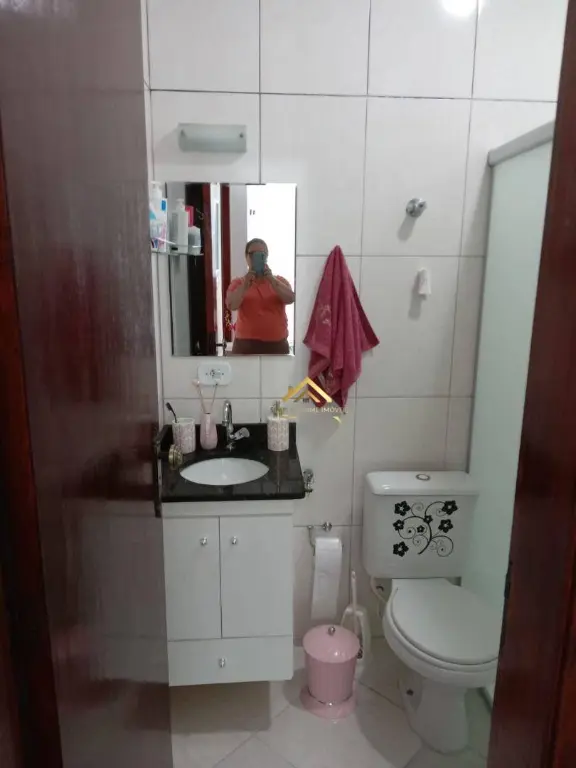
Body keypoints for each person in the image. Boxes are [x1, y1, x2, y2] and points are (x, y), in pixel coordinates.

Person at [226, 238, 295, 355]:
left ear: (266, 257)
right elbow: (232, 305)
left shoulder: (279, 281)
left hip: (277, 346)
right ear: (246, 257)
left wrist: (272, 280)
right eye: (252, 254)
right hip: (245, 346)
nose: (256, 258)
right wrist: (245, 285)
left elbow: (291, 299)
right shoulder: (238, 283)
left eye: (261, 254)